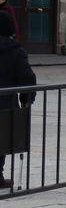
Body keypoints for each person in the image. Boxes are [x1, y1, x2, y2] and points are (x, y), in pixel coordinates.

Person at [0, 12, 35, 189]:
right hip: (5, 103)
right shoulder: (16, 51)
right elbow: (27, 77)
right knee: (2, 138)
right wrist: (26, 98)